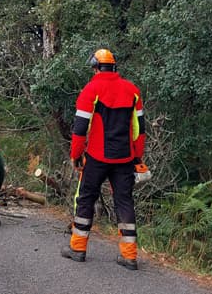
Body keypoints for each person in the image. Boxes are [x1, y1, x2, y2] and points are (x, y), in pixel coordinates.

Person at [61, 48, 147, 270]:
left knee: (86, 199)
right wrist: (137, 157)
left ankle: (78, 248)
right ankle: (129, 256)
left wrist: (75, 155)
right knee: (124, 201)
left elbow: (80, 129)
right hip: (125, 158)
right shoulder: (132, 91)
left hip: (97, 157)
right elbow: (139, 131)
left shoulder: (91, 90)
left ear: (96, 68)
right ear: (114, 66)